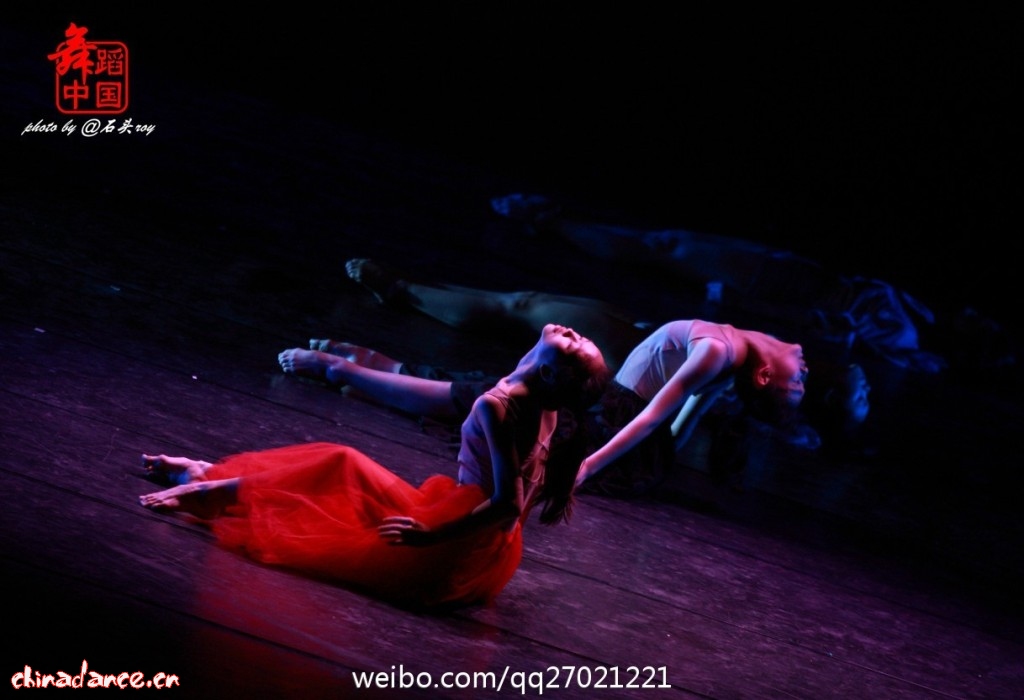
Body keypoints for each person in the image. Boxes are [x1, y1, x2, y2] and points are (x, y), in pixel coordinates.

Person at [139, 324, 610, 609]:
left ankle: (208, 490)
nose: (575, 334)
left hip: (453, 550)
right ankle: (211, 478)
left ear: (550, 371)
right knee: (349, 487)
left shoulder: (500, 406)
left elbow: (508, 504)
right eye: (581, 338)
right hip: (487, 550)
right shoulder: (543, 400)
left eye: (576, 346)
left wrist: (431, 536)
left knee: (340, 464)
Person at [291, 264, 817, 497]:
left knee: (489, 398)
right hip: (621, 416)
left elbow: (658, 416)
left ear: (764, 374)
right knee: (485, 393)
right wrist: (659, 462)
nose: (805, 374)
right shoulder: (736, 348)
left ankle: (348, 369)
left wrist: (587, 467)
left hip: (612, 415)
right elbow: (685, 419)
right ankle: (369, 370)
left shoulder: (719, 350)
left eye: (795, 385)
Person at [490, 193, 946, 373]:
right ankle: (550, 220)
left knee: (663, 249)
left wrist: (751, 307)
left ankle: (547, 221)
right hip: (791, 270)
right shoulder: (922, 315)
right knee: (663, 244)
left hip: (772, 285)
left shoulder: (910, 344)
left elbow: (831, 333)